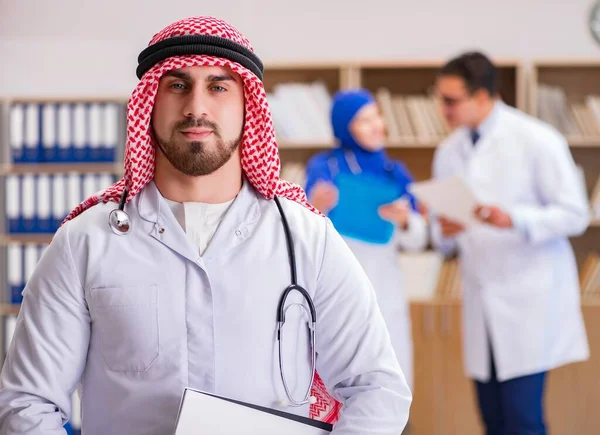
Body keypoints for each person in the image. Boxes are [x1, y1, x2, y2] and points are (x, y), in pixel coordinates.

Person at [0, 16, 411, 435]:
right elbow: (27, 404)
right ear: (150, 104)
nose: (197, 106)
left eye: (218, 87)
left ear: (248, 105)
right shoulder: (84, 242)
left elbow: (376, 389)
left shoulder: (308, 238)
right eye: (177, 85)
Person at [430, 51, 590, 435]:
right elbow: (442, 237)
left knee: (522, 420)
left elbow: (576, 214)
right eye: (441, 100)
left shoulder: (536, 139)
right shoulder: (448, 151)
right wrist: (444, 231)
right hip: (481, 302)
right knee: (493, 419)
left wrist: (514, 218)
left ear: (483, 95)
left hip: (528, 301)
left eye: (452, 101)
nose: (443, 110)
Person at [305, 89, 428, 391]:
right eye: (364, 120)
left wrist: (405, 220)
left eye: (377, 116)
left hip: (385, 288)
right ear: (345, 127)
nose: (376, 125)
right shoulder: (324, 168)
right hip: (335, 288)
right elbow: (299, 233)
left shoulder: (395, 172)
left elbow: (418, 240)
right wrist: (314, 206)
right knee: (338, 385)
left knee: (388, 385)